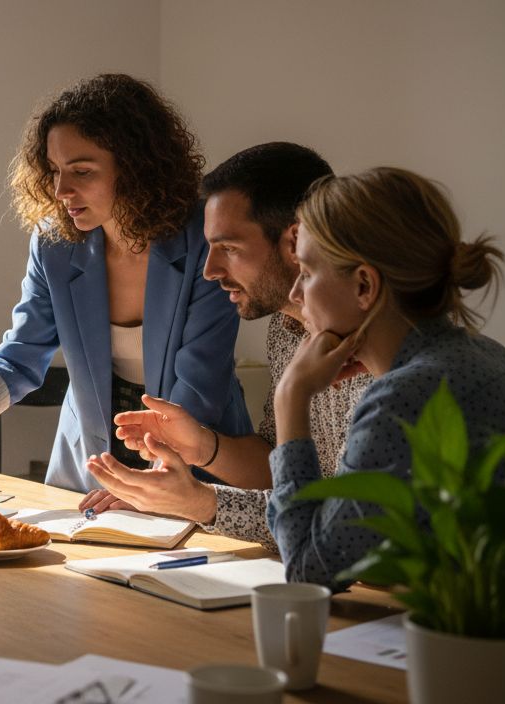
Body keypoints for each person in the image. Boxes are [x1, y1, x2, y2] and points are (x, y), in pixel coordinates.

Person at [268, 166, 505, 640]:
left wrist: (290, 398)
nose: (294, 294)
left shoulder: (410, 394)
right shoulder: (476, 355)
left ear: (364, 286)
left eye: (305, 272)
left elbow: (306, 571)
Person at [0, 74, 251, 492]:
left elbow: (199, 386)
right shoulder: (55, 244)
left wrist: (149, 487)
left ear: (137, 168)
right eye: (53, 170)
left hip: (193, 464)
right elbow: (21, 355)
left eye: (81, 171)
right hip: (88, 466)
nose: (60, 190)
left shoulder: (205, 240)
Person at [81, 143, 370, 550]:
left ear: (295, 241)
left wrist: (201, 503)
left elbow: (346, 532)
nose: (210, 271)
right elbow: (278, 469)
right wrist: (201, 446)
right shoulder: (288, 330)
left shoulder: (379, 358)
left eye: (230, 249)